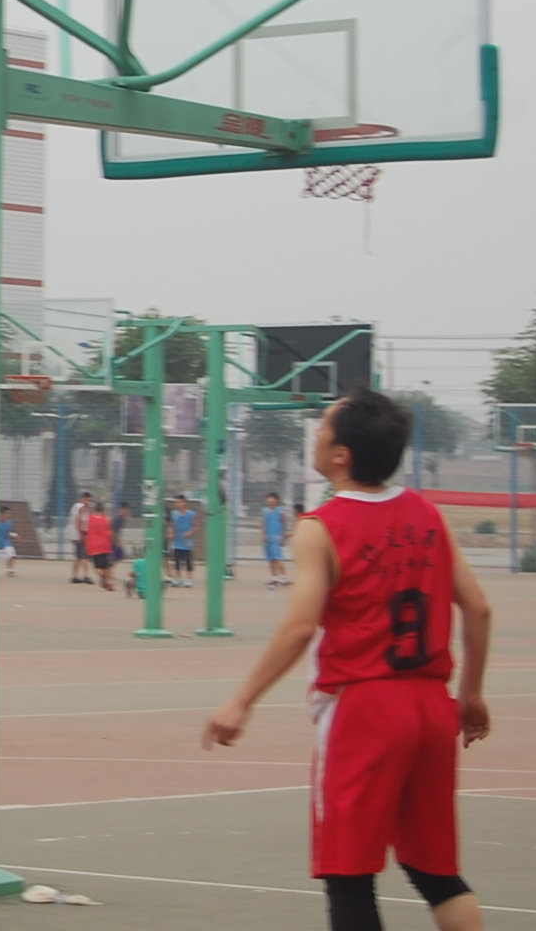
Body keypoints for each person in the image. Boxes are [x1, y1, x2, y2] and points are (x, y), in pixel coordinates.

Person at [203, 389, 493, 931]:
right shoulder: (429, 516)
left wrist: (242, 700)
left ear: (341, 455)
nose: (314, 435)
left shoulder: (321, 527)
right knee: (435, 873)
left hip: (364, 711)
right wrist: (471, 695)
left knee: (349, 876)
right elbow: (478, 608)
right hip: (432, 707)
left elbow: (300, 626)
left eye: (322, 429)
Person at [84, 501, 116, 592]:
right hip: (105, 545)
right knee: (106, 566)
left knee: (97, 566)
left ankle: (102, 576)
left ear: (94, 509)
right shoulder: (106, 519)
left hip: (94, 546)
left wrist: (87, 544)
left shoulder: (90, 519)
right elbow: (110, 532)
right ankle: (107, 580)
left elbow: (86, 532)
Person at [263, 492, 291, 590]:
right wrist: (263, 534)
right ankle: (273, 577)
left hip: (277, 537)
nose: (269, 500)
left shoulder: (281, 511)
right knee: (270, 558)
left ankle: (284, 577)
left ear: (276, 500)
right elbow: (263, 523)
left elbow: (285, 522)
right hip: (268, 537)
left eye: (272, 499)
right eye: (268, 499)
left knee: (277, 558)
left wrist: (285, 533)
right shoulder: (265, 511)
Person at [170, 496, 197, 588]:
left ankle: (189, 579)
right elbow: (173, 526)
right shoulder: (174, 514)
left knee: (188, 561)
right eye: (177, 502)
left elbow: (196, 526)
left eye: (180, 502)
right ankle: (178, 579)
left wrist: (190, 533)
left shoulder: (191, 514)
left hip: (187, 542)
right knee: (176, 560)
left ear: (185, 503)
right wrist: (171, 533)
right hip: (177, 541)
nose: (178, 504)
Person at [68, 491, 94, 584]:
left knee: (78, 557)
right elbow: (78, 521)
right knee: (84, 557)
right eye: (87, 500)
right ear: (82, 499)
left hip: (76, 534)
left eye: (90, 501)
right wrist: (81, 535)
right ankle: (86, 575)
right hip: (79, 534)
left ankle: (74, 576)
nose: (89, 503)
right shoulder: (81, 507)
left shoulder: (77, 507)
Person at [0, 512, 17, 577]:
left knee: (12, 554)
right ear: (1, 514)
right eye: (6, 513)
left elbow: (8, 532)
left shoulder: (9, 523)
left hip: (5, 542)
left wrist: (14, 535)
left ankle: (10, 570)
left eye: (9, 514)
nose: (8, 515)